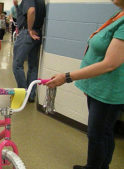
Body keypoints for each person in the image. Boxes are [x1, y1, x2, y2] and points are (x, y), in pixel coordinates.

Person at [46, 1, 124, 169]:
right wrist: (88, 83)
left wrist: (67, 77)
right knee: (104, 132)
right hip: (98, 87)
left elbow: (110, 64)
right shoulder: (119, 14)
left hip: (108, 92)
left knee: (98, 135)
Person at [12, 0, 46, 102]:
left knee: (17, 65)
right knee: (33, 66)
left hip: (27, 34)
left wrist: (29, 29)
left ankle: (22, 95)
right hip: (37, 33)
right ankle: (31, 95)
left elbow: (31, 11)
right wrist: (17, 5)